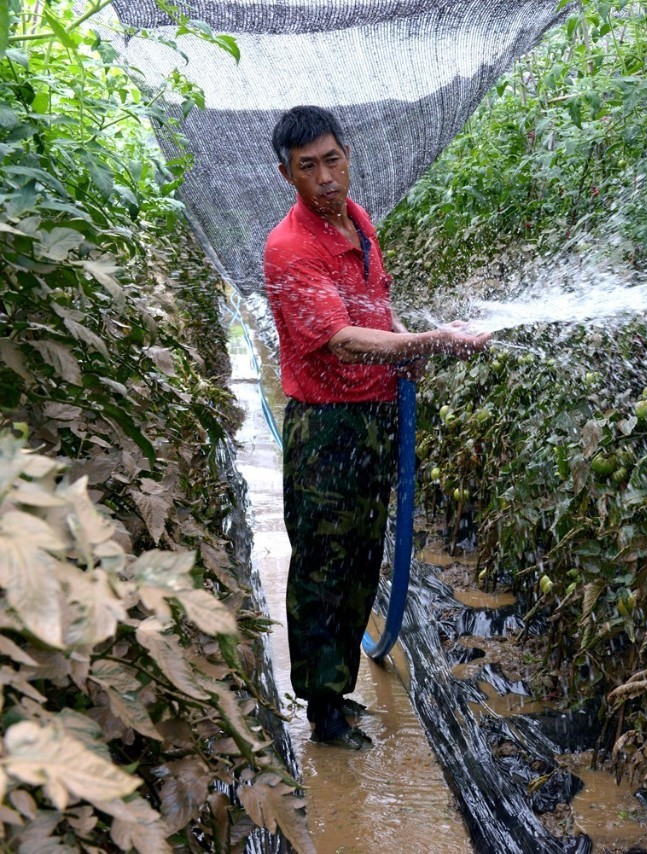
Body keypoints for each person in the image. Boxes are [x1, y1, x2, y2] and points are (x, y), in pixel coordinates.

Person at [263, 105, 490, 748]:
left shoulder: (357, 221)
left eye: (333, 160)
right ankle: (323, 707)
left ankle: (337, 686)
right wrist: (428, 340)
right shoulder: (290, 248)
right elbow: (337, 338)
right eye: (308, 167)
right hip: (329, 429)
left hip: (374, 415)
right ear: (288, 176)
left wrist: (407, 348)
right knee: (322, 563)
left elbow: (373, 312)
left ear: (347, 156)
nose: (327, 178)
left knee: (362, 553)